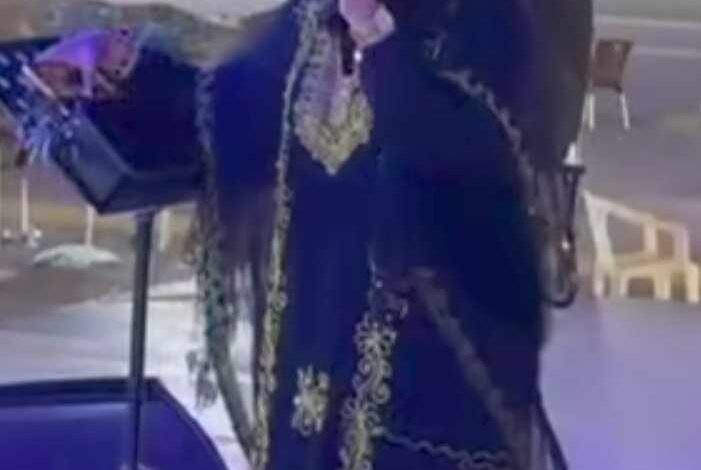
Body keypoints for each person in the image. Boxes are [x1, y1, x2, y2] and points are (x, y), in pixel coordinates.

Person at [30, 0, 593, 468]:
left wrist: (377, 33)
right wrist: (116, 65)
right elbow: (225, 109)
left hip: (429, 392)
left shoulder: (491, 19)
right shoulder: (310, 23)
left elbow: (478, 159)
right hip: (310, 378)